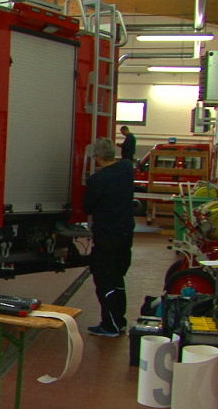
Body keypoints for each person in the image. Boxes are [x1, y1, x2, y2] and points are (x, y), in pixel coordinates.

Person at [84, 138, 135, 337]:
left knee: (105, 280)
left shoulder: (98, 180)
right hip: (125, 234)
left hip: (107, 235)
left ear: (98, 157)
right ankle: (119, 321)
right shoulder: (126, 169)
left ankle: (110, 326)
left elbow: (88, 206)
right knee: (117, 279)